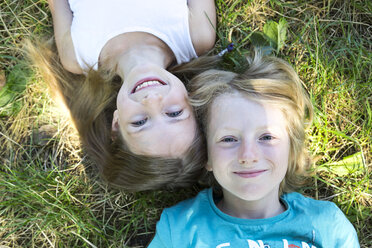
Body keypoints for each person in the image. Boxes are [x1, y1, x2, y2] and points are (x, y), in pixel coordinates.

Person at [148, 52, 360, 247]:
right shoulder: (179, 228)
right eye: (229, 139)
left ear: (291, 149)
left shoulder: (327, 225)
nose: (248, 156)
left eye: (267, 137)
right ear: (207, 155)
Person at [27, 0, 217, 191]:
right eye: (174, 113)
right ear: (193, 99)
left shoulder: (77, 57)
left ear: (116, 124)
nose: (152, 101)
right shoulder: (197, 34)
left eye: (140, 122)